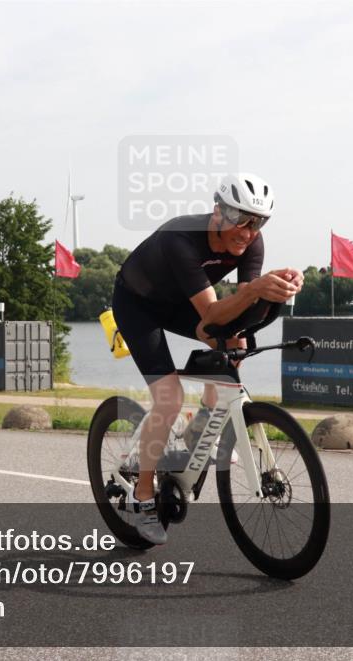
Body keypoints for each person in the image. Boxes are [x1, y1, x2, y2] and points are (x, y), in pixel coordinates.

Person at [112, 173, 303, 544]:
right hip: (138, 305)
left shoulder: (252, 243)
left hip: (179, 303)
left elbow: (240, 311)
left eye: (258, 222)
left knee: (235, 340)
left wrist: (275, 293)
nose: (247, 231)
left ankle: (202, 425)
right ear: (218, 211)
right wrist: (257, 289)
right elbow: (213, 313)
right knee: (169, 398)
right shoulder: (181, 238)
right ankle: (144, 496)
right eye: (240, 218)